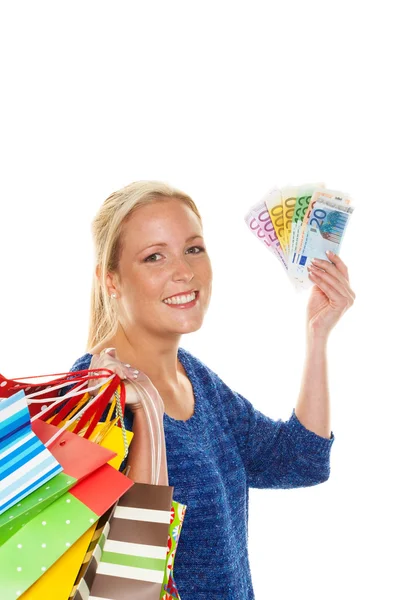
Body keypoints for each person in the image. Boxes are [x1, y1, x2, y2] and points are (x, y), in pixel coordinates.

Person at [67, 180, 355, 599]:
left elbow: (298, 460)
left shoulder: (194, 378)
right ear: (110, 280)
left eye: (193, 248)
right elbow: (121, 586)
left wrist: (317, 335)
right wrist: (146, 416)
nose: (183, 271)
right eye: (154, 257)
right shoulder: (90, 393)